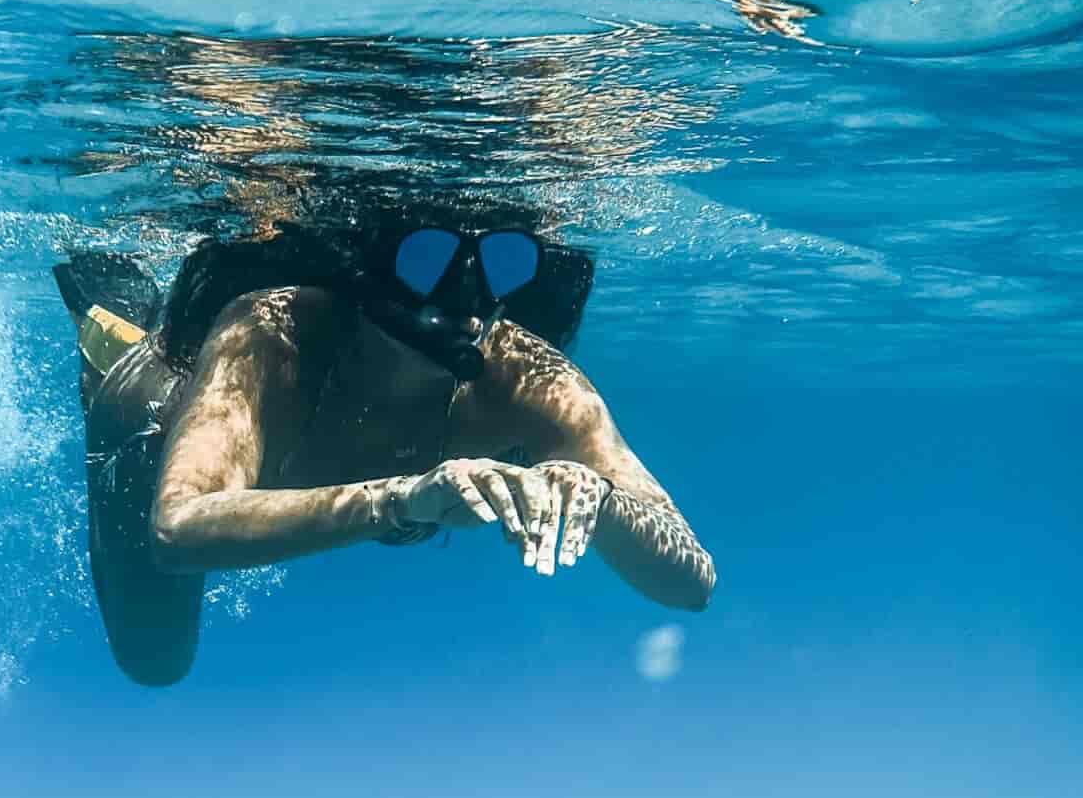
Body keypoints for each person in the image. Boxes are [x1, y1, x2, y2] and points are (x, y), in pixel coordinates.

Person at [54, 204, 715, 687]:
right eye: (425, 258)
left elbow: (692, 583)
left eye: (501, 262)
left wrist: (603, 502)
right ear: (370, 262)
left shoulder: (530, 377)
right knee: (154, 661)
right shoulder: (271, 329)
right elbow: (178, 526)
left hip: (335, 467)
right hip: (158, 415)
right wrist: (400, 498)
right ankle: (114, 317)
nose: (466, 299)